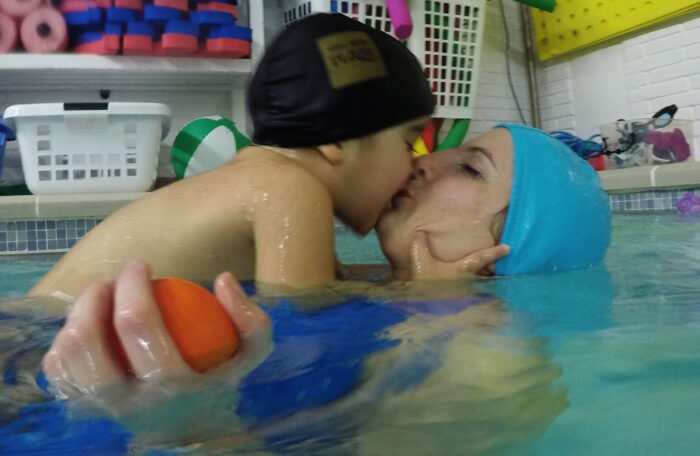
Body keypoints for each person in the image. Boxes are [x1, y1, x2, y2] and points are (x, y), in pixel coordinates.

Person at [42, 122, 611, 400]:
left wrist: (191, 427)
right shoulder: (374, 291)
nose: (425, 160)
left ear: (501, 251)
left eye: (469, 168)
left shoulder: (493, 361)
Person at [28, 12, 435, 299]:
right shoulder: (291, 190)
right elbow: (307, 329)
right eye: (407, 143)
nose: (415, 164)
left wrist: (403, 278)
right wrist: (425, 297)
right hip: (45, 343)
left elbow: (329, 286)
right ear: (338, 140)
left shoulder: (263, 178)